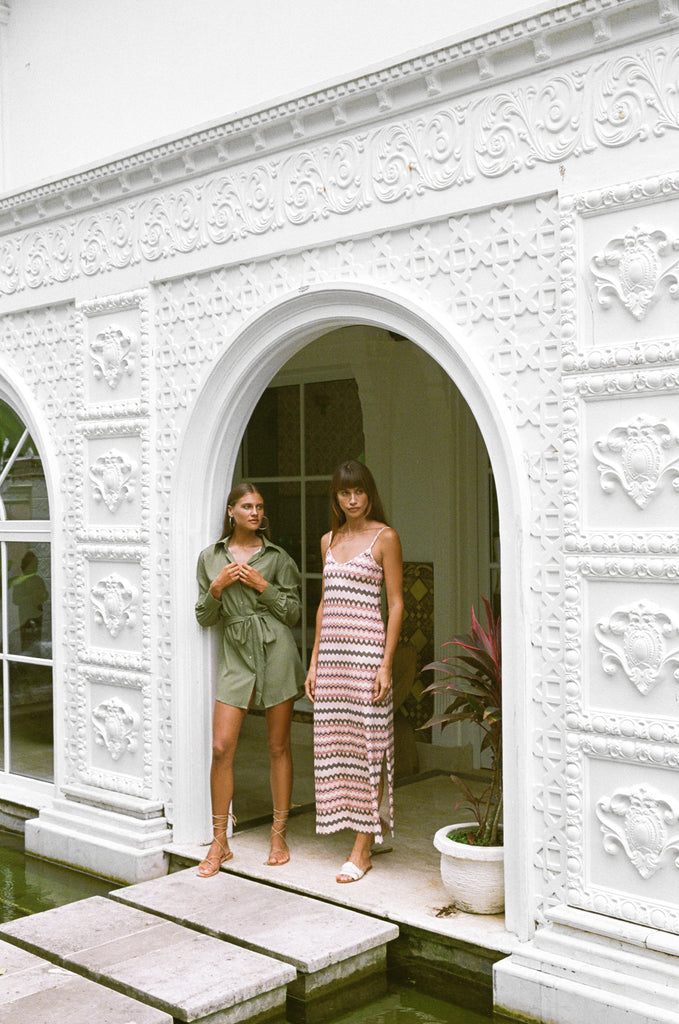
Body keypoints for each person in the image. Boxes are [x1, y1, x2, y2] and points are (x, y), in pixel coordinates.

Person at [195, 483, 305, 876]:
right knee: (222, 748)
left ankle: (279, 833)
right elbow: (204, 617)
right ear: (231, 511)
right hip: (236, 655)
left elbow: (293, 613)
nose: (255, 512)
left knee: (278, 745)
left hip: (276, 651)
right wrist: (217, 587)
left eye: (259, 507)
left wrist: (263, 587)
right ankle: (219, 842)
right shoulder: (211, 558)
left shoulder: (277, 557)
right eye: (246, 506)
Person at [305, 460, 403, 883]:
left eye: (359, 491)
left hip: (367, 659)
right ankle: (363, 830)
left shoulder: (385, 537)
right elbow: (326, 602)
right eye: (345, 493)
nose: (353, 499)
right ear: (336, 497)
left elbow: (397, 603)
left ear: (369, 492)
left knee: (371, 746)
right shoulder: (328, 539)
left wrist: (385, 663)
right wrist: (313, 662)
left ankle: (363, 848)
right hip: (331, 660)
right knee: (339, 746)